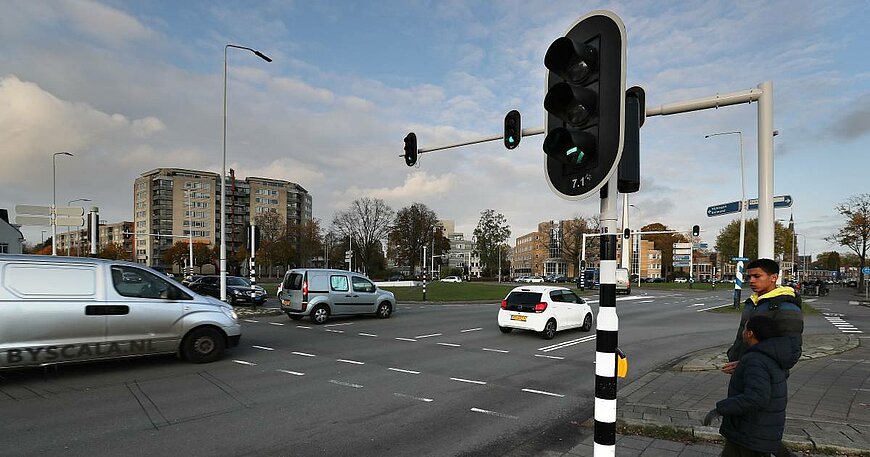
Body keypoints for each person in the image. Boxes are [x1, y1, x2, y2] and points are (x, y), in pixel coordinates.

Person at [722, 258, 803, 457]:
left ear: (773, 277)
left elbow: (790, 350)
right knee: (747, 431)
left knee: (756, 429)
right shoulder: (753, 303)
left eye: (757, 276)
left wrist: (753, 363)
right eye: (749, 276)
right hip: (746, 369)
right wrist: (736, 357)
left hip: (762, 375)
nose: (751, 280)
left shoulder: (785, 306)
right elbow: (744, 335)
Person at [703, 315, 792, 456]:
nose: (743, 332)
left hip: (751, 432)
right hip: (748, 430)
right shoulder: (770, 355)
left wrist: (721, 409)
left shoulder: (756, 360)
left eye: (745, 328)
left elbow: (756, 397)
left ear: (750, 334)